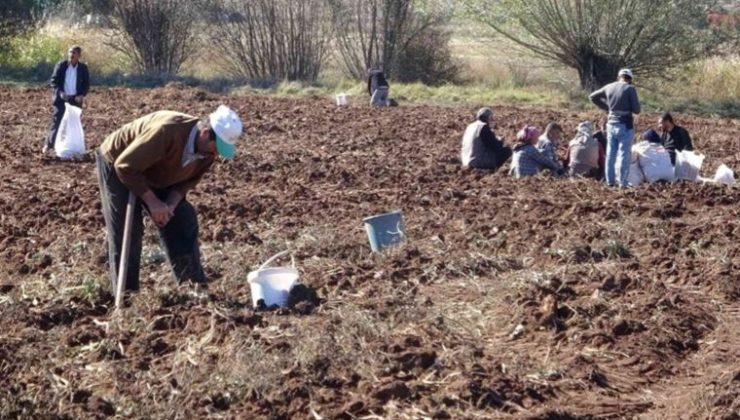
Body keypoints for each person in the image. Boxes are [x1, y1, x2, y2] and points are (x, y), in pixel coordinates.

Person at [95, 105, 243, 295]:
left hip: (161, 169)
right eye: (217, 146)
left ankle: (192, 288)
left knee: (182, 218)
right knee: (129, 230)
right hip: (120, 163)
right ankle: (127, 296)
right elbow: (125, 166)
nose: (217, 154)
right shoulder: (167, 131)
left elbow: (186, 182)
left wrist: (170, 205)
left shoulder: (207, 153)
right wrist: (153, 202)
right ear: (206, 133)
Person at [589, 69, 641, 188]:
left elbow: (592, 97)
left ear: (619, 77)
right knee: (624, 154)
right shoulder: (630, 89)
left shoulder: (609, 87)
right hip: (625, 125)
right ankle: (622, 182)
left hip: (611, 124)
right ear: (630, 79)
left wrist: (608, 108)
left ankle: (610, 181)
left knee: (611, 153)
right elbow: (636, 110)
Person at [44, 45, 90, 155]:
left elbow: (86, 84)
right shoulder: (61, 65)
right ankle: (49, 145)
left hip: (75, 99)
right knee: (57, 120)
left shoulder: (83, 68)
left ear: (79, 55)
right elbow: (54, 81)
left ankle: (71, 147)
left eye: (74, 53)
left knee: (73, 123)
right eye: (70, 52)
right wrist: (60, 93)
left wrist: (82, 95)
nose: (71, 55)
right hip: (62, 99)